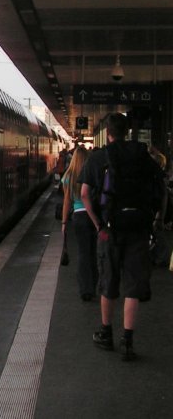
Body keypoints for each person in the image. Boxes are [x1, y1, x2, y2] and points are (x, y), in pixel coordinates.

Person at [81, 113, 164, 361]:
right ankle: (127, 340)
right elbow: (160, 192)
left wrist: (98, 224)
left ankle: (106, 333)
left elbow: (84, 194)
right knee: (133, 286)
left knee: (108, 282)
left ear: (108, 133)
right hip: (138, 229)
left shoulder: (98, 158)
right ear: (128, 132)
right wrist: (156, 221)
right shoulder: (144, 158)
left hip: (110, 230)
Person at [61, 147, 95, 300]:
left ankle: (85, 289)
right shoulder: (92, 173)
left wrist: (64, 223)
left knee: (82, 253)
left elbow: (66, 202)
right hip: (93, 215)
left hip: (78, 217)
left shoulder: (68, 176)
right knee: (93, 252)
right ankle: (94, 284)